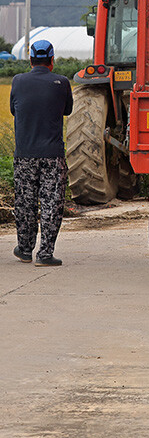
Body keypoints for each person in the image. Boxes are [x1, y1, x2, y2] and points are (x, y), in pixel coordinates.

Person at [10, 39, 74, 267]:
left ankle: (25, 249)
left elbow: (13, 109)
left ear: (30, 60)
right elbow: (67, 109)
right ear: (52, 61)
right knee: (51, 203)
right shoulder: (62, 82)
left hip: (24, 155)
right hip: (52, 156)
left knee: (25, 203)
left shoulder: (17, 81)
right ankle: (45, 254)